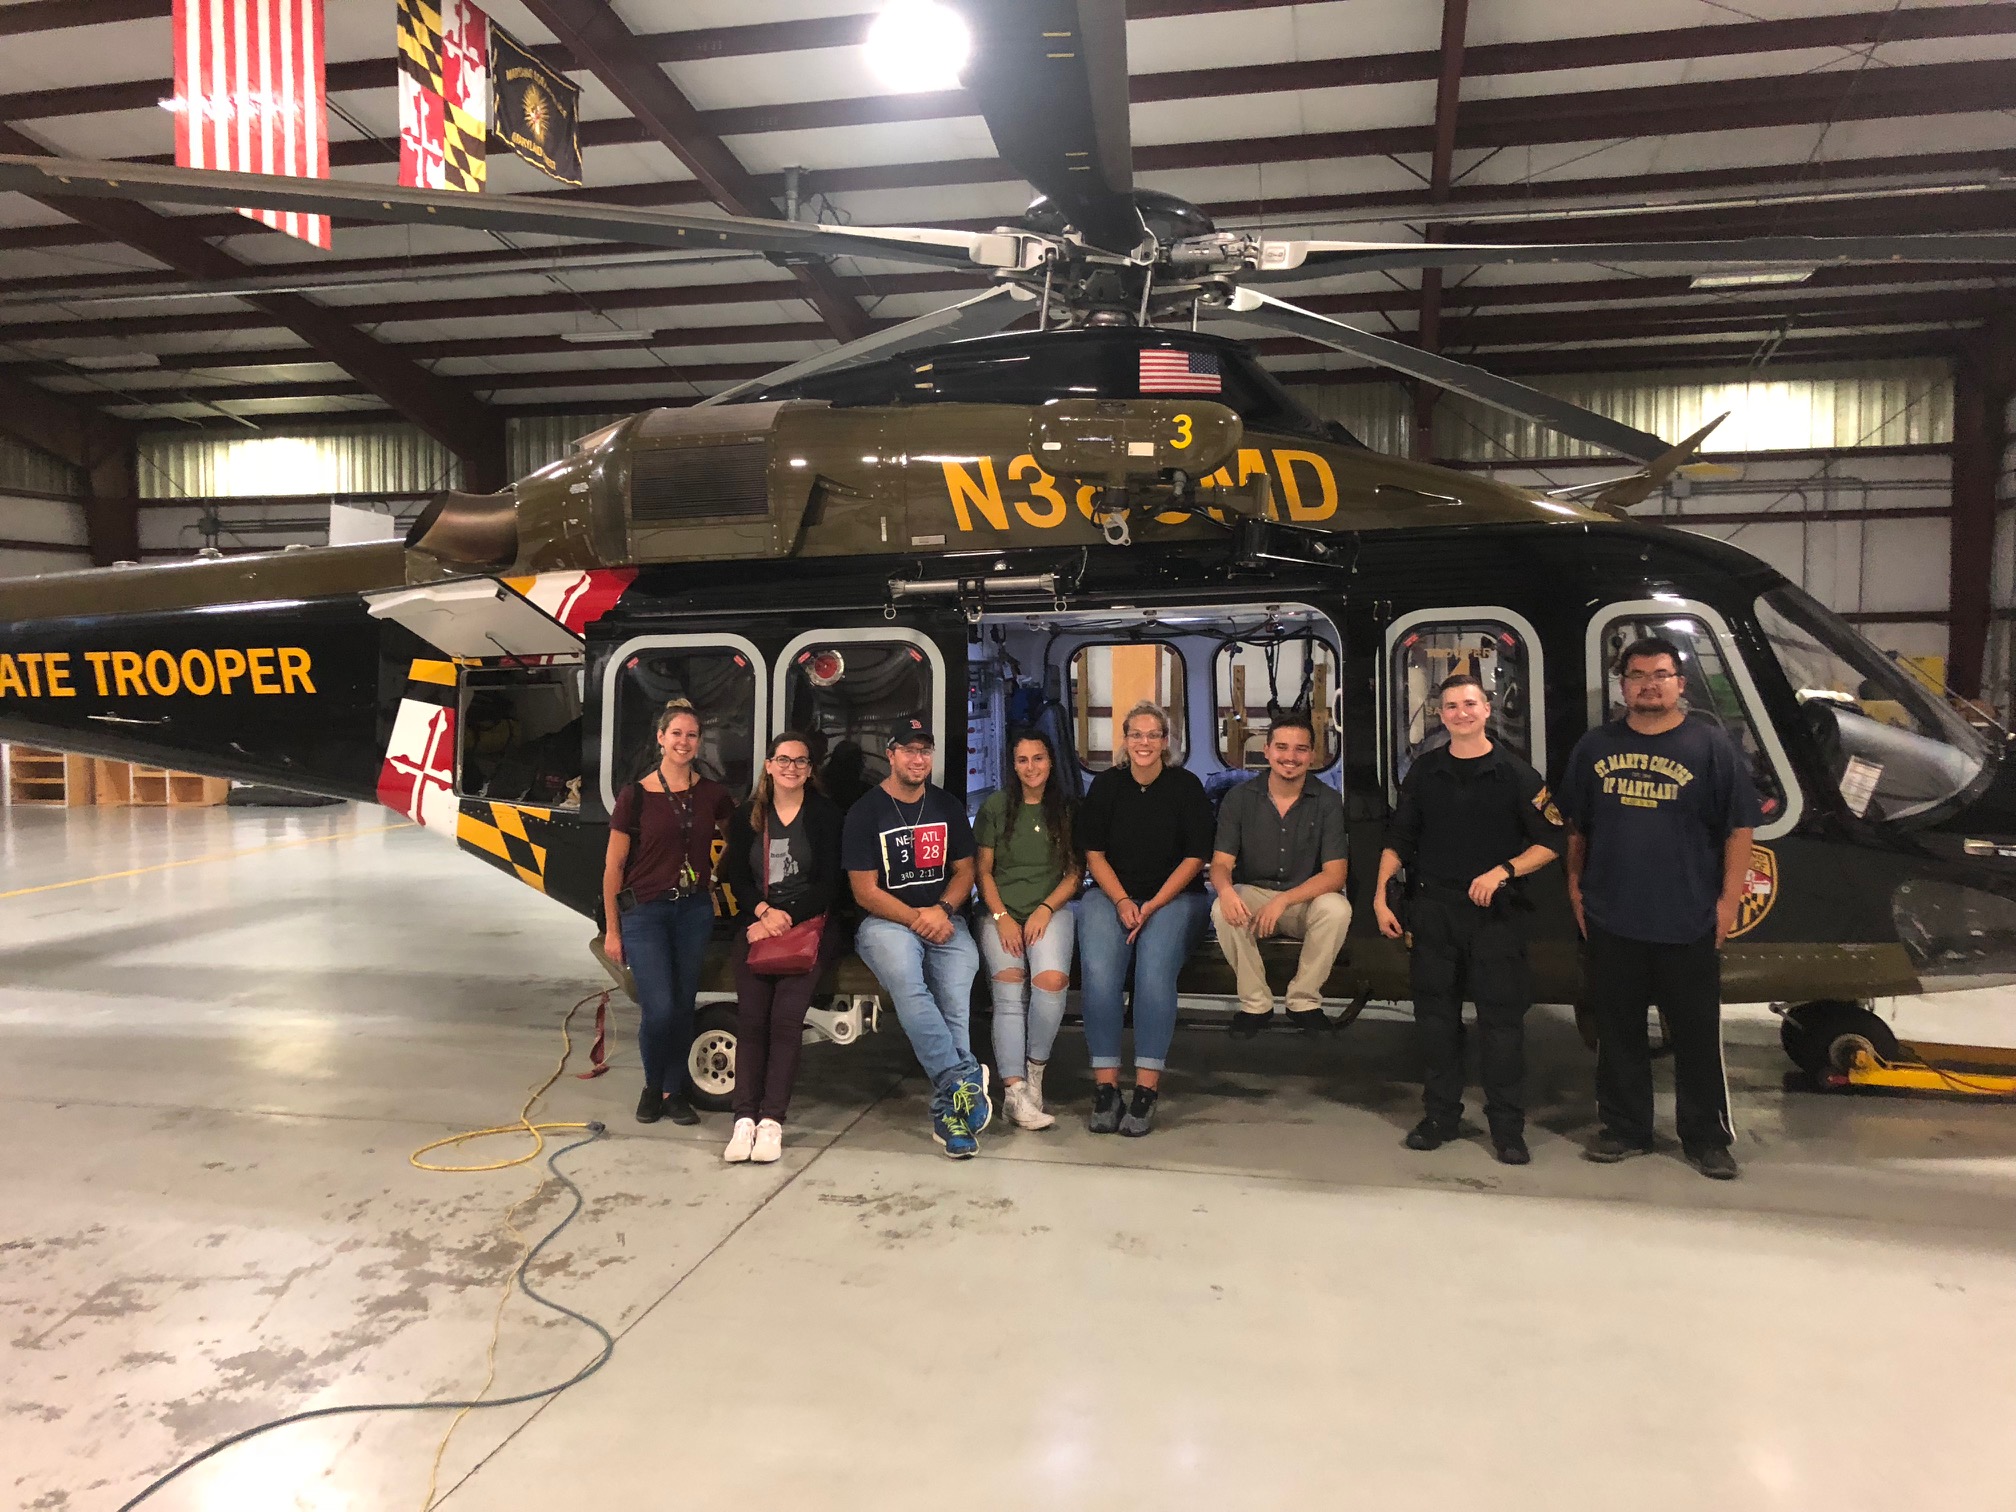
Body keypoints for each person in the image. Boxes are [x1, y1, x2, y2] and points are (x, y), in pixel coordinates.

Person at [1559, 636, 1761, 1181]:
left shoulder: (1712, 746)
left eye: (1660, 674)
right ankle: (1626, 1128)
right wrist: (1576, 888)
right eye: (1638, 674)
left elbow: (1740, 828)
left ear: (1680, 683)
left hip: (1688, 917)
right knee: (1618, 1030)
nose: (1649, 683)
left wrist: (1727, 901)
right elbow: (1576, 826)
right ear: (1622, 685)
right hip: (1612, 916)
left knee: (1695, 1034)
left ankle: (1707, 1138)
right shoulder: (1595, 747)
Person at [1374, 674, 1564, 1165]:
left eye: (1470, 703)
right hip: (1433, 912)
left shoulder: (1518, 775)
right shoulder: (1424, 772)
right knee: (1436, 1023)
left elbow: (1551, 843)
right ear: (1441, 715)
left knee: (1501, 1025)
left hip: (1495, 917)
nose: (1461, 712)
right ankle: (1440, 1116)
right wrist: (1380, 896)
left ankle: (1507, 1128)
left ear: (1487, 709)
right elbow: (1399, 839)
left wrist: (1504, 871)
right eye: (1451, 706)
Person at [845, 715, 992, 1158]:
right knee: (909, 985)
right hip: (887, 923)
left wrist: (943, 910)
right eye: (909, 750)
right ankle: (961, 1078)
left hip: (944, 919)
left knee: (954, 997)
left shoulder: (946, 806)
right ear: (890, 755)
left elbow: (965, 872)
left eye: (925, 750)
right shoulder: (865, 812)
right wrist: (916, 918)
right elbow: (864, 890)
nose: (918, 758)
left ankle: (949, 1115)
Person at [1078, 700, 1214, 1137]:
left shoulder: (1186, 786)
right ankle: (1105, 1090)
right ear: (1124, 739)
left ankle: (1146, 1090)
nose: (1144, 743)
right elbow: (1093, 855)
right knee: (1100, 977)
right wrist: (1120, 901)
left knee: (1155, 974)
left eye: (1153, 735)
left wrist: (1154, 904)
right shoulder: (1106, 787)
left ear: (1166, 741)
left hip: (1175, 898)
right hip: (1112, 894)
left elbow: (1196, 857)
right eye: (1136, 734)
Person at [601, 698, 735, 1126]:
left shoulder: (712, 794)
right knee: (658, 1008)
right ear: (660, 738)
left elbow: (736, 841)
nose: (683, 741)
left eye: (691, 735)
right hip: (645, 914)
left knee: (682, 1005)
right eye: (675, 733)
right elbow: (613, 867)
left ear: (699, 742)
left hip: (693, 911)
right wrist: (612, 929)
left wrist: (712, 877)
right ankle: (650, 1084)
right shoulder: (635, 796)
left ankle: (673, 1091)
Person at [718, 731, 845, 1165]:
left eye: (801, 761)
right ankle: (743, 1122)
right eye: (783, 760)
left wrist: (782, 918)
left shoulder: (825, 816)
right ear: (768, 765)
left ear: (810, 770)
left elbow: (830, 882)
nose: (792, 768)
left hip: (810, 928)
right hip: (758, 926)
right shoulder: (746, 817)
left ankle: (772, 1122)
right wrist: (760, 914)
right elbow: (734, 875)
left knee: (786, 1020)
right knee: (751, 1019)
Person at [1209, 712, 1351, 1037]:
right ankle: (1255, 1005)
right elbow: (1220, 865)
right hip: (1255, 898)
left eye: (1301, 749)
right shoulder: (1239, 799)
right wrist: (1227, 892)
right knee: (1221, 908)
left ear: (1313, 755)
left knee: (1337, 908)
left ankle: (1303, 1001)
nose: (1291, 757)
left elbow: (1335, 875)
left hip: (1303, 901)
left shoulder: (1328, 802)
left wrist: (1284, 901)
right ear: (1268, 751)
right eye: (1282, 747)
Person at [976, 730, 1081, 1131]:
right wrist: (1002, 916)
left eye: (1038, 758)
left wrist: (1044, 909)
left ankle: (1036, 1074)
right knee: (1008, 984)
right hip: (1000, 911)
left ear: (1051, 762)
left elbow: (1075, 873)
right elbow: (983, 872)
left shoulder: (1066, 810)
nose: (1031, 767)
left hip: (1050, 909)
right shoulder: (996, 807)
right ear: (1013, 765)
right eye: (1022, 760)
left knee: (1051, 982)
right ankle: (1014, 1092)